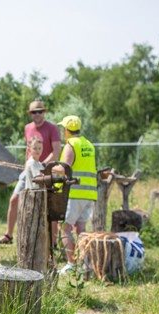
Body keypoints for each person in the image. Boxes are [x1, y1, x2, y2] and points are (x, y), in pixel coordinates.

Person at [0, 100, 61, 244]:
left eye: (40, 111)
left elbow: (56, 151)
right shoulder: (28, 128)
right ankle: (8, 235)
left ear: (44, 112)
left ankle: (53, 242)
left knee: (49, 206)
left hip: (44, 171)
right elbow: (27, 149)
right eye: (34, 112)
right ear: (30, 114)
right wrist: (27, 166)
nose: (37, 114)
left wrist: (43, 165)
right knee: (14, 199)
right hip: (28, 169)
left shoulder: (52, 128)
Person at [54, 115, 97, 274]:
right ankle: (85, 263)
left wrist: (47, 168)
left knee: (64, 228)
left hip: (74, 193)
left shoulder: (71, 145)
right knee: (81, 229)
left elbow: (64, 168)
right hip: (89, 193)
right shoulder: (89, 145)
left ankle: (72, 264)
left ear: (66, 130)